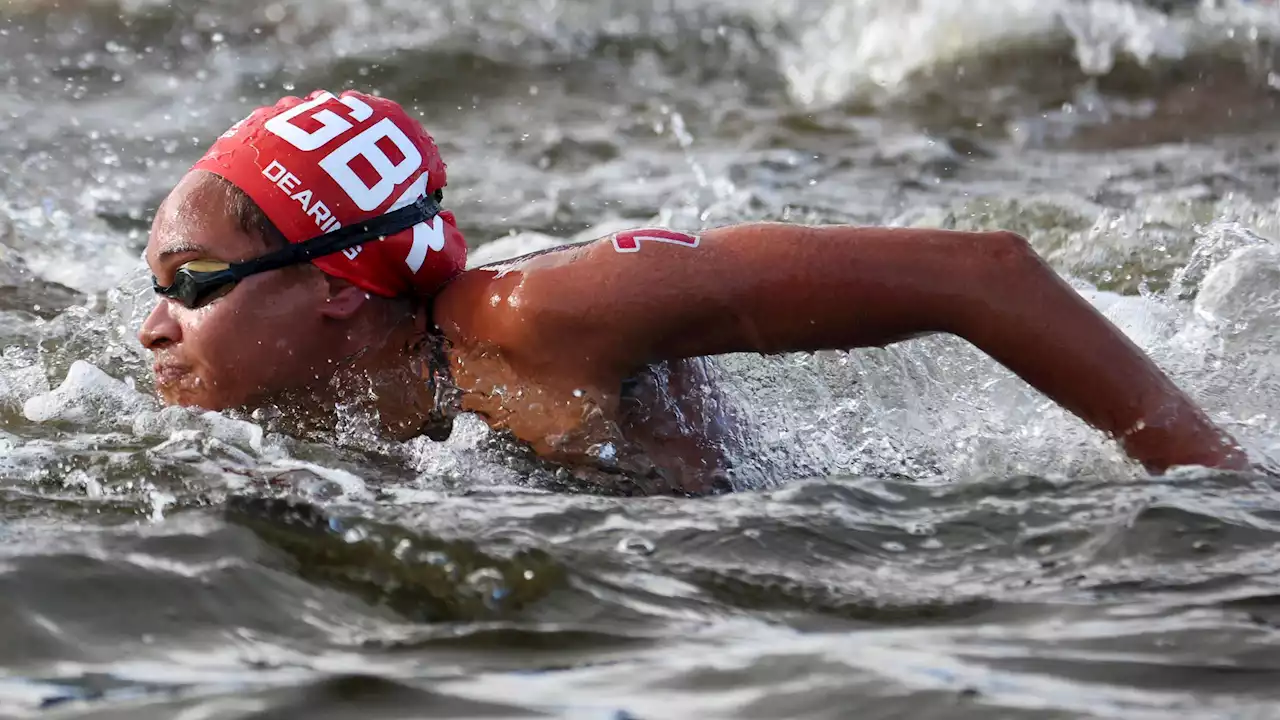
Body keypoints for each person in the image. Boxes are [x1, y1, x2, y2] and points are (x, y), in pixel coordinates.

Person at [138, 90, 1249, 496]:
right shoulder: (273, 394)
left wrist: (1216, 500)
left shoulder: (546, 322)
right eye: (153, 287)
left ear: (338, 286)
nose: (151, 328)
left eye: (190, 287)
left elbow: (982, 270)